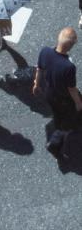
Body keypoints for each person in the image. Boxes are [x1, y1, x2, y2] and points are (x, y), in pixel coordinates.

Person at [34, 27, 81, 161]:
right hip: (64, 98)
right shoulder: (68, 67)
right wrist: (78, 103)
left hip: (50, 93)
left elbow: (39, 69)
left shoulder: (45, 51)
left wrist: (36, 84)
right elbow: (71, 89)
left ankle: (71, 123)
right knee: (67, 119)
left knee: (59, 113)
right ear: (71, 46)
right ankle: (55, 143)